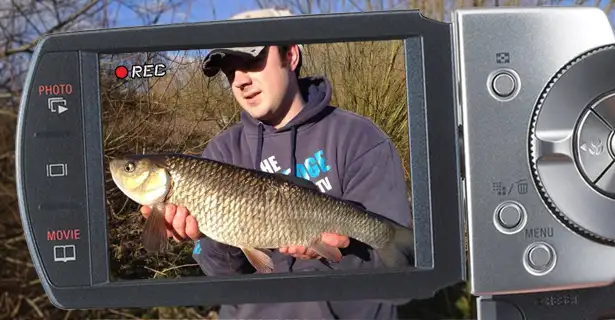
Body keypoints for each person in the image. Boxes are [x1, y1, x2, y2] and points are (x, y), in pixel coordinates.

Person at [140, 8, 414, 320]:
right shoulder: (221, 151)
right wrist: (207, 236)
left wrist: (343, 250)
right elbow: (225, 281)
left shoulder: (360, 138)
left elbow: (397, 278)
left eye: (251, 62)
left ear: (291, 56)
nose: (240, 80)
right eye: (230, 71)